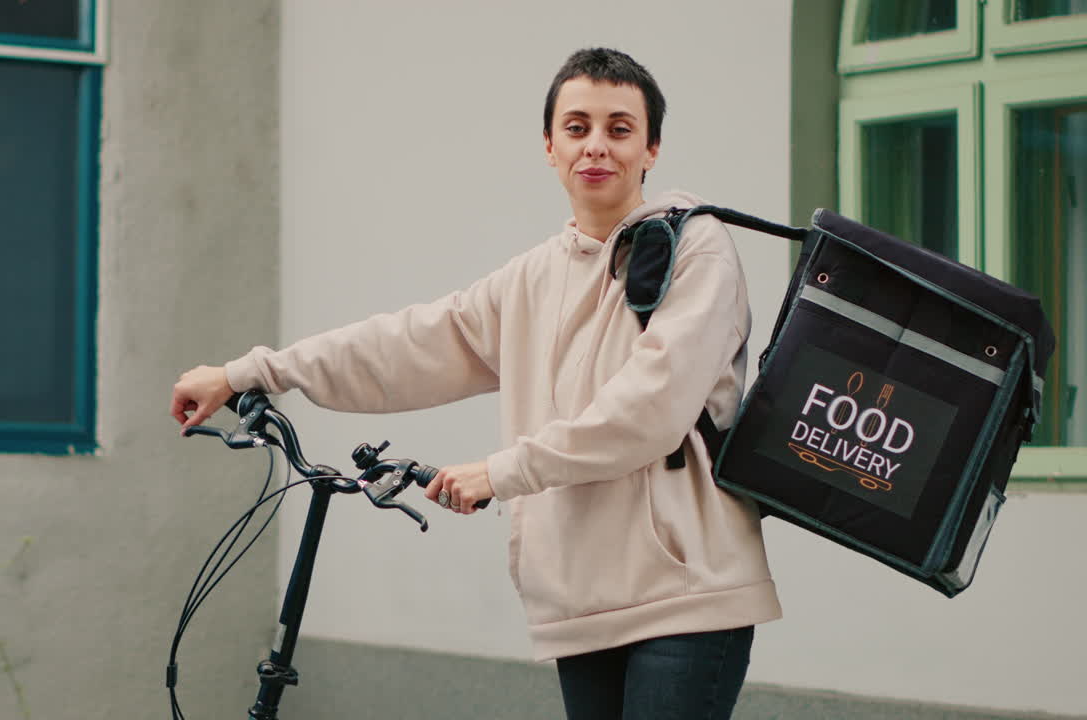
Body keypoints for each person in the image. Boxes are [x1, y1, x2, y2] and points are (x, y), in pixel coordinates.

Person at [171, 47, 781, 720]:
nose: (596, 146)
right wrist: (247, 372)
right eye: (576, 128)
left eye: (619, 128)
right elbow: (403, 346)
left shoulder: (697, 248)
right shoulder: (529, 280)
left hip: (685, 593)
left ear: (652, 147)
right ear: (549, 147)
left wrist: (503, 470)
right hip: (581, 599)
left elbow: (652, 408)